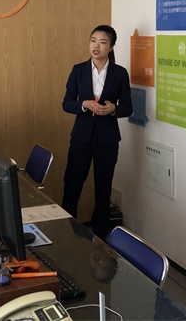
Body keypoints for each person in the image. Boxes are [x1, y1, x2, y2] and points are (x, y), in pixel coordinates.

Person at [61, 25, 132, 240]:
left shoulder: (119, 73)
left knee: (103, 189)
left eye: (102, 42)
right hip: (81, 138)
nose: (96, 46)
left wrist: (113, 109)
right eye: (93, 40)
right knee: (72, 186)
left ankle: (100, 237)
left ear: (111, 47)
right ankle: (68, 234)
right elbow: (66, 103)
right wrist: (84, 105)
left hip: (107, 140)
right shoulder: (79, 70)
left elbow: (128, 108)